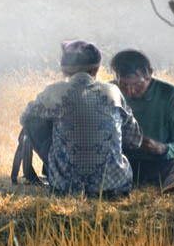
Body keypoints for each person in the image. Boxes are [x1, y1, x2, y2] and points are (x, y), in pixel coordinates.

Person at [19, 40, 143, 197]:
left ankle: (57, 168)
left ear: (64, 70)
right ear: (96, 69)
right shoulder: (113, 91)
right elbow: (135, 139)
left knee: (34, 121)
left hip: (65, 186)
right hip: (115, 186)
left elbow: (26, 119)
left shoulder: (54, 92)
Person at [110, 49, 174, 195]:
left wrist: (162, 148)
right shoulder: (109, 93)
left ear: (150, 73)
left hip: (158, 164)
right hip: (121, 163)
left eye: (137, 85)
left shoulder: (171, 96)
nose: (130, 91)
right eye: (123, 85)